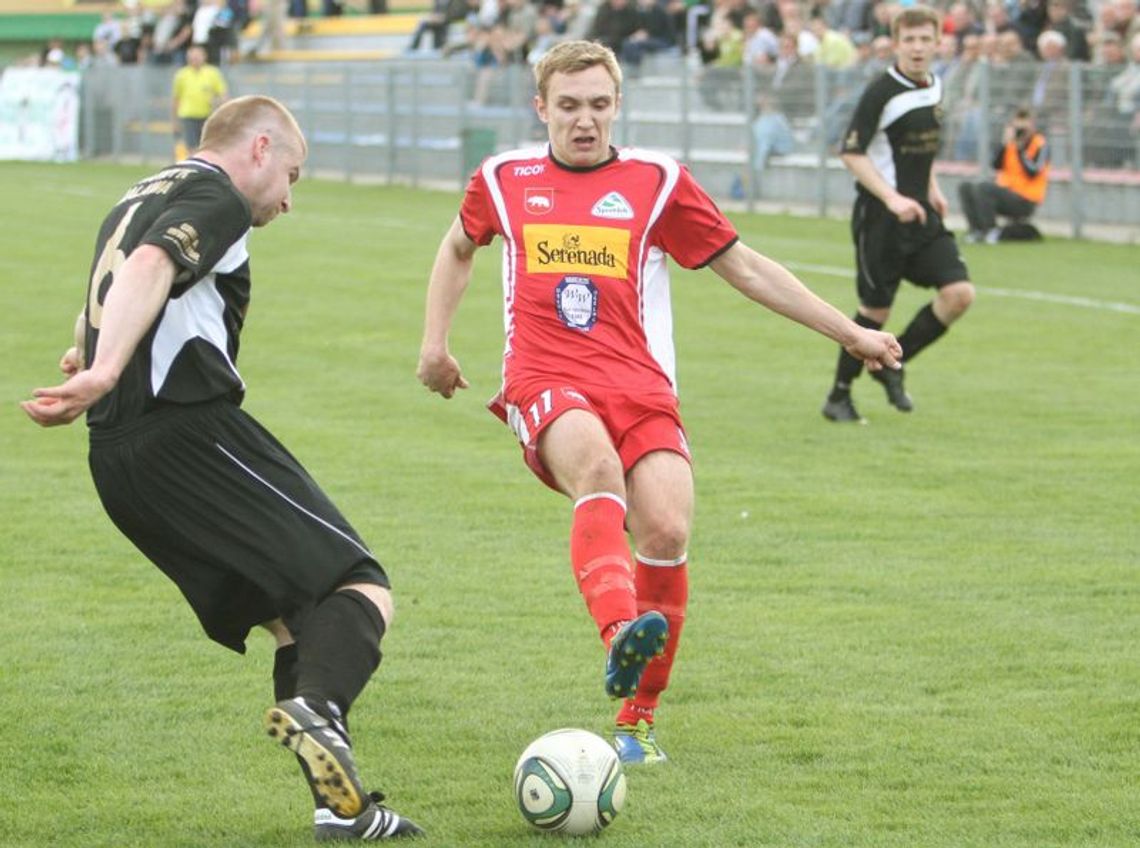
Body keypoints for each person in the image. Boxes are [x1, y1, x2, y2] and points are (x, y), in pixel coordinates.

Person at [416, 40, 902, 765]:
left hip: (641, 386)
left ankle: (637, 719)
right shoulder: (502, 178)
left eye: (599, 105)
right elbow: (458, 247)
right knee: (597, 470)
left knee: (669, 530)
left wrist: (852, 332)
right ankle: (619, 633)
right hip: (544, 375)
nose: (585, 121)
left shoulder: (658, 181)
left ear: (618, 106)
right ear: (540, 107)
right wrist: (436, 345)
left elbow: (745, 267)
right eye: (570, 106)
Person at [21, 95, 423, 842]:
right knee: (359, 585)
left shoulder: (140, 191)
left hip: (117, 461)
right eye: (292, 176)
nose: (289, 200)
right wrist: (106, 369)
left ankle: (341, 815)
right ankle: (322, 713)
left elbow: (113, 291)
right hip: (186, 433)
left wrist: (87, 350)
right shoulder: (218, 194)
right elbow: (151, 264)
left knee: (299, 624)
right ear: (260, 149)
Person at [822, 4, 976, 423]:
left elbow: (916, 153)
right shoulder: (881, 92)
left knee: (959, 294)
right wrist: (892, 199)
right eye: (909, 40)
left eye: (926, 39)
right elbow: (851, 152)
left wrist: (932, 189)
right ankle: (838, 396)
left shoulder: (936, 87)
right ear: (895, 44)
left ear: (938, 42)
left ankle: (894, 361)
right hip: (881, 216)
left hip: (922, 214)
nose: (918, 47)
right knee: (875, 312)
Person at [958, 107, 1050, 244]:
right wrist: (1004, 144)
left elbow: (1033, 171)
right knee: (965, 187)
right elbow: (995, 165)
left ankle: (991, 231)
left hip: (1026, 199)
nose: (1020, 132)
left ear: (1032, 125)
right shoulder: (1010, 143)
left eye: (1023, 128)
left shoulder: (1040, 144)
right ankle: (976, 230)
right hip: (1005, 192)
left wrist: (1020, 150)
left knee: (984, 187)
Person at [171, 44, 228, 155]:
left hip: (208, 116)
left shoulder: (213, 73)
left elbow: (223, 94)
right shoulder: (181, 75)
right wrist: (175, 121)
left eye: (197, 56)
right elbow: (176, 99)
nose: (195, 59)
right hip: (188, 116)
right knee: (191, 147)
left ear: (204, 56)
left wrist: (221, 107)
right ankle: (195, 170)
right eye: (192, 56)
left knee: (207, 147)